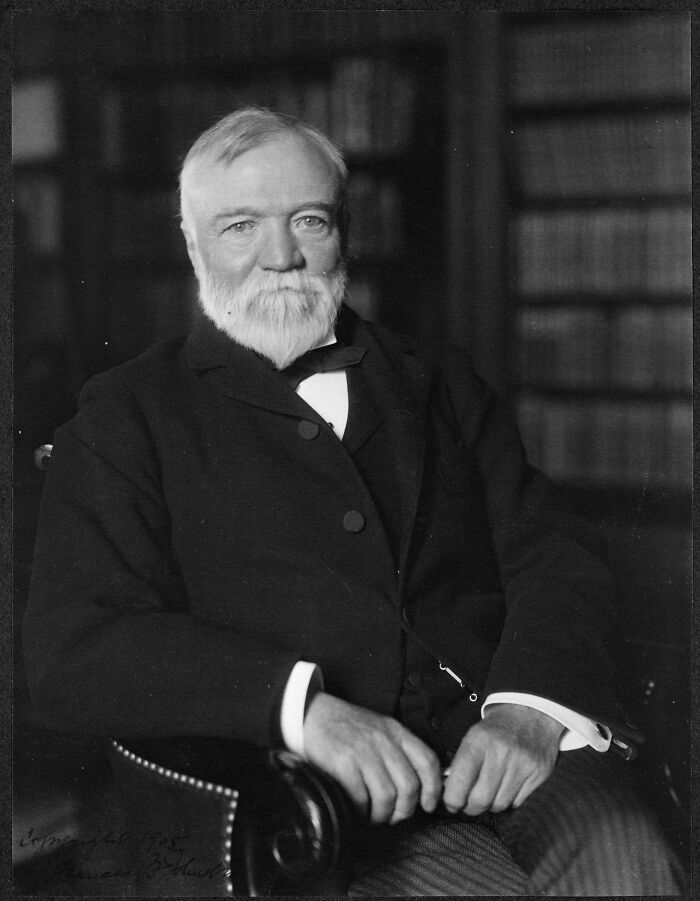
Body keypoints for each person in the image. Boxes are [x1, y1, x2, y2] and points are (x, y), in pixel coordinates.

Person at [24, 108, 682, 895]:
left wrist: (529, 709)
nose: (281, 256)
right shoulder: (126, 414)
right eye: (241, 226)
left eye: (309, 220)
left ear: (345, 233)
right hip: (308, 801)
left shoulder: (435, 377)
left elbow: (552, 553)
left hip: (502, 742)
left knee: (629, 856)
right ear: (193, 243)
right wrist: (302, 709)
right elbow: (77, 645)